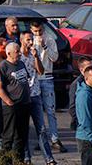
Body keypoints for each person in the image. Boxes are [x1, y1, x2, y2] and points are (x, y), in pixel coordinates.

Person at [20, 31, 56, 164]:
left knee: (41, 129)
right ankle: (26, 158)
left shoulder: (33, 55)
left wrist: (36, 57)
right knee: (24, 129)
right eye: (28, 40)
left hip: (35, 95)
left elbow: (40, 71)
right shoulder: (18, 57)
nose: (30, 42)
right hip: (23, 97)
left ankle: (49, 158)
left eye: (31, 40)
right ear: (22, 40)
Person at [33, 20, 65, 152]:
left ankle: (54, 139)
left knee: (51, 110)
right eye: (35, 31)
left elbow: (55, 58)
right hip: (35, 79)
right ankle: (42, 139)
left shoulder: (50, 40)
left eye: (40, 31)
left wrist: (45, 46)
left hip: (47, 77)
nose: (38, 33)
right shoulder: (30, 40)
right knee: (38, 112)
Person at [0, 42, 32, 160]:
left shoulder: (21, 63)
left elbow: (25, 80)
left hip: (24, 104)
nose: (20, 53)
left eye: (19, 51)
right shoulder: (3, 66)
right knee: (9, 135)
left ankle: (19, 160)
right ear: (8, 53)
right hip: (11, 106)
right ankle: (5, 160)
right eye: (17, 52)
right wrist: (9, 102)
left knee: (22, 136)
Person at [73, 57, 92, 130]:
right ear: (81, 70)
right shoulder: (76, 85)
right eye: (89, 67)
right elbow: (72, 108)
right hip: (85, 128)